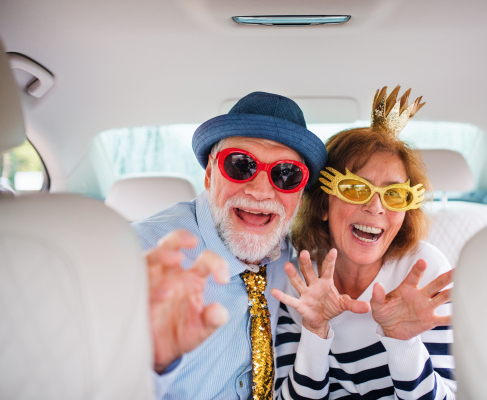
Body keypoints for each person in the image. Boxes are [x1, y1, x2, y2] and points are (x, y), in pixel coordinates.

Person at [133, 91, 327, 399]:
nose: (261, 191)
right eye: (240, 165)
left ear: (300, 194)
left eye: (286, 174)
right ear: (210, 174)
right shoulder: (139, 258)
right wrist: (152, 366)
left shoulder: (298, 262)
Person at [272, 85, 456, 399]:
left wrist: (403, 343)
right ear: (323, 205)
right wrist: (315, 333)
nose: (376, 206)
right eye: (356, 189)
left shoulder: (424, 271)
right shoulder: (298, 277)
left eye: (394, 194)